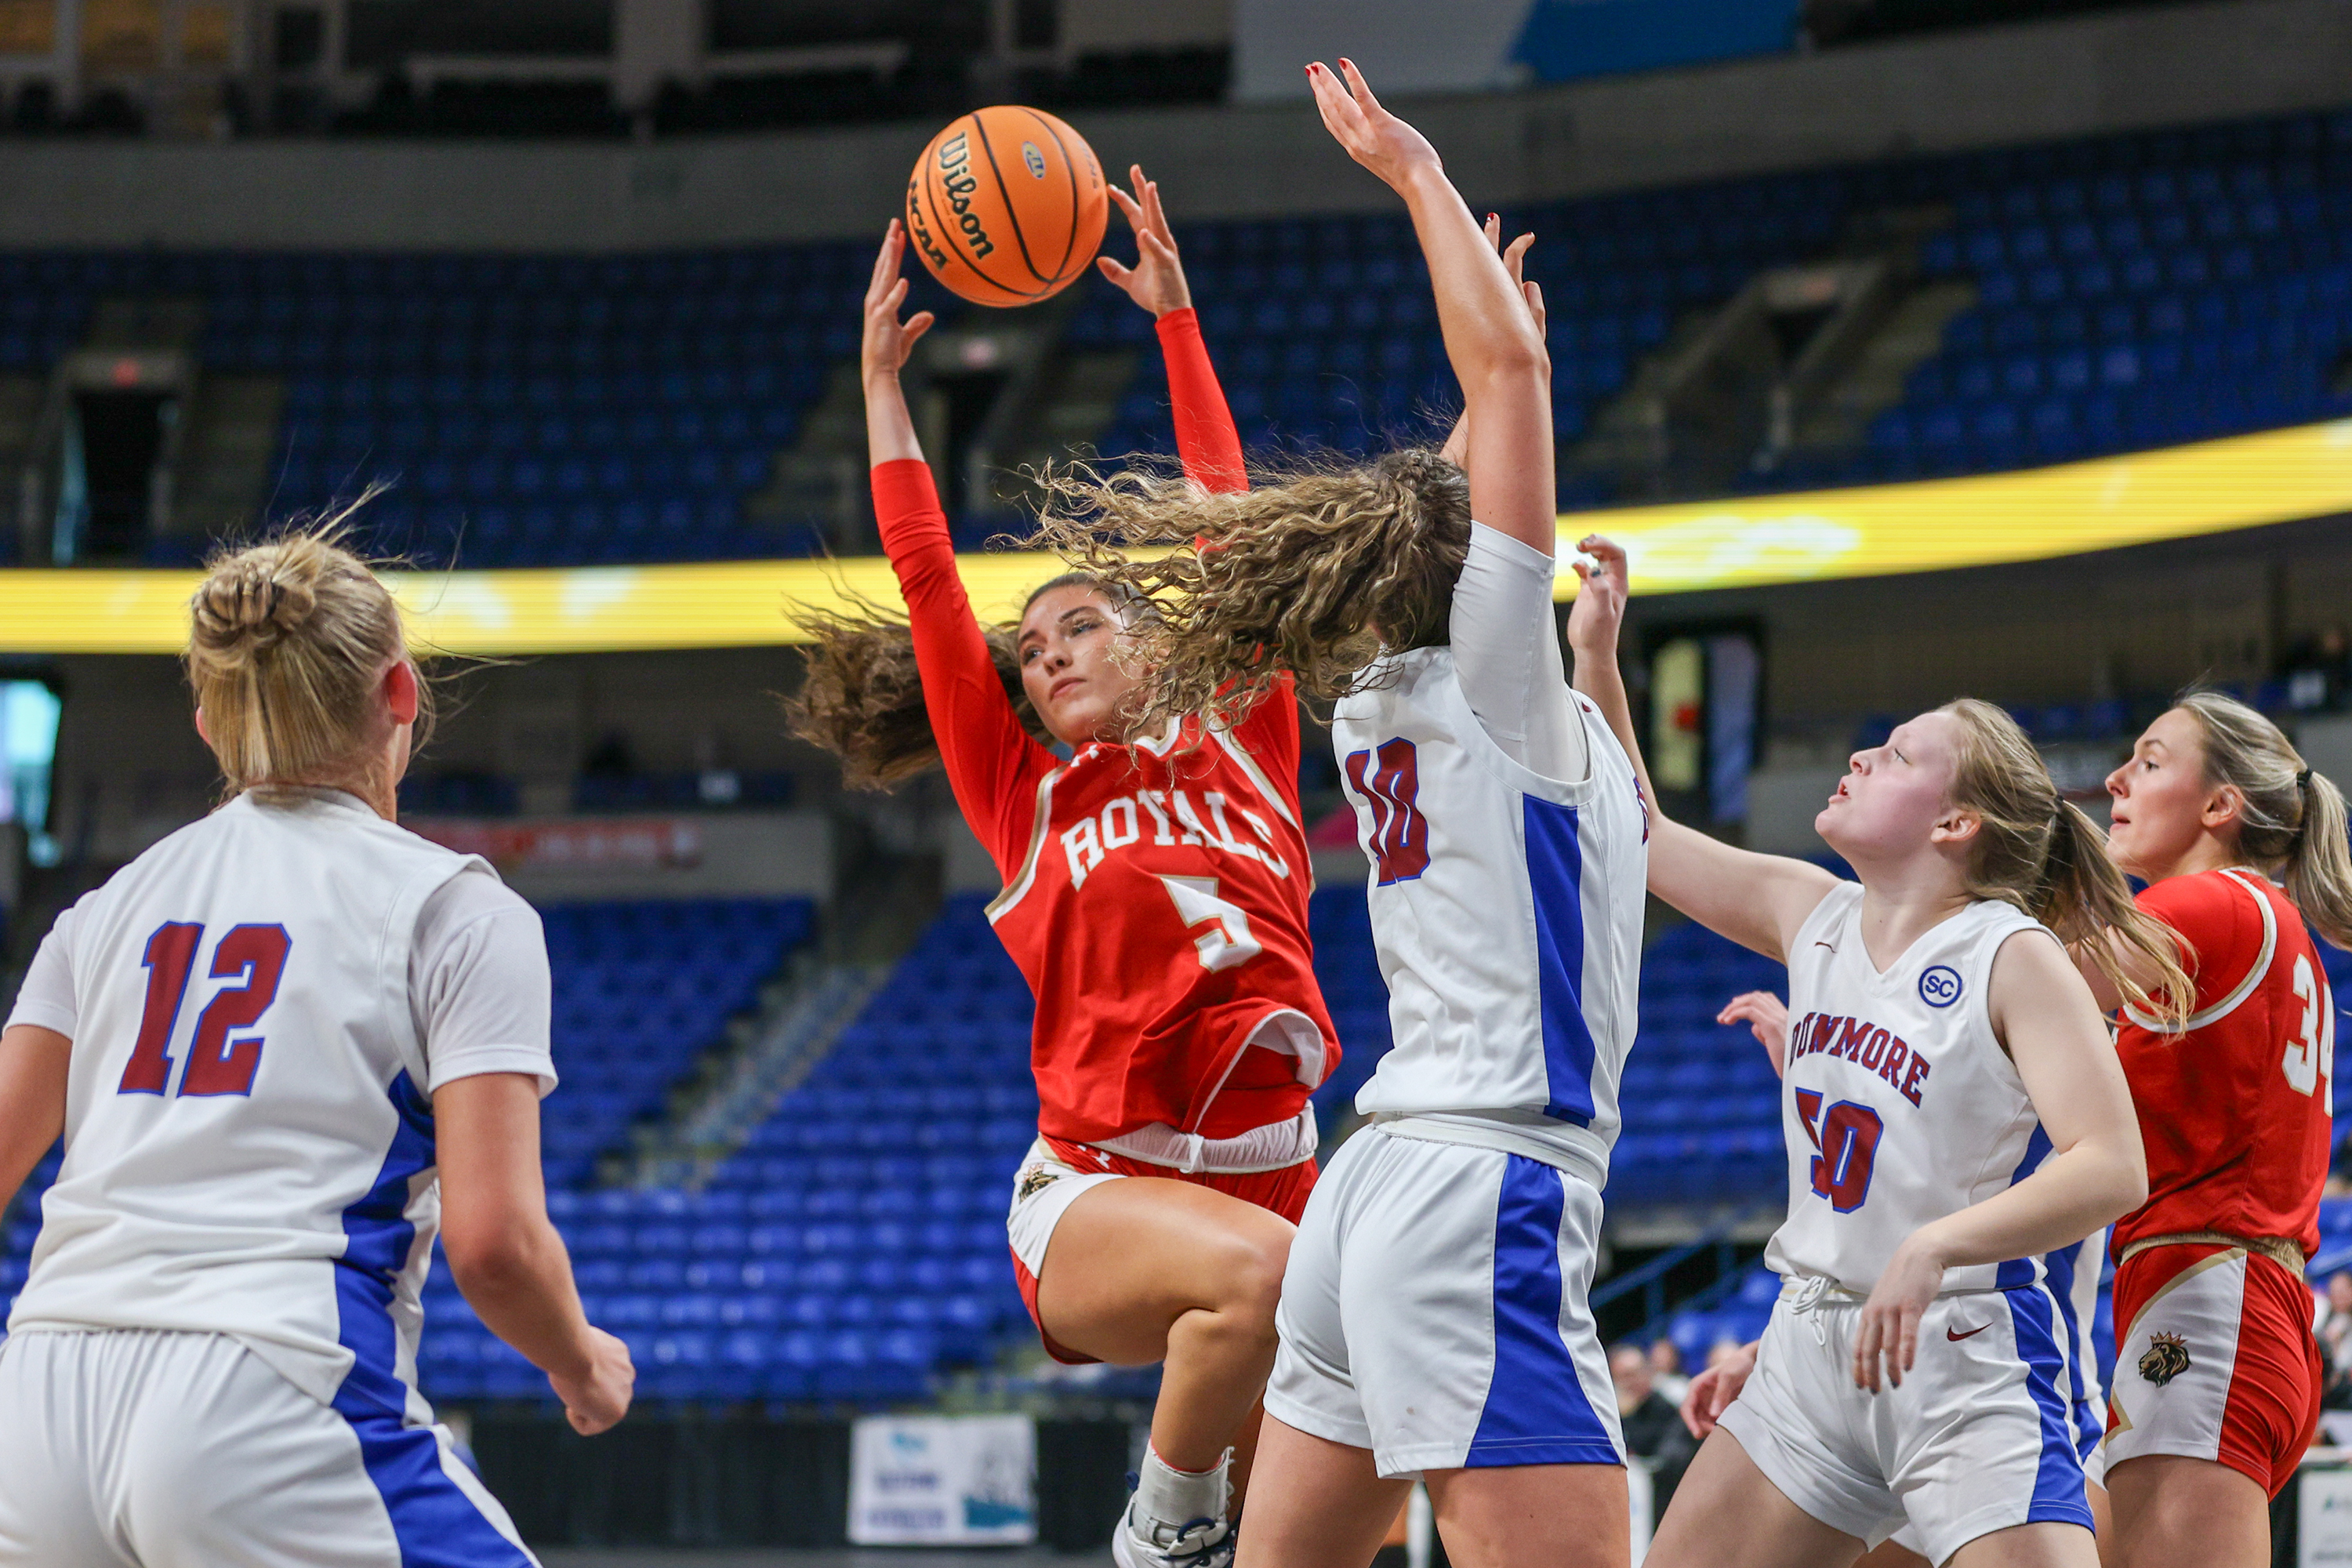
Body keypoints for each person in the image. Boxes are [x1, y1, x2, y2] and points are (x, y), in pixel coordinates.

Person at [1027, 60, 1650, 1568]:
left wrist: (1594, 656)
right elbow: (1508, 394)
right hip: (1487, 1179)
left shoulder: (1389, 689)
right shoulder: (1488, 684)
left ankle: (1162, 1537)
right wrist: (1416, 174)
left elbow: (1427, 501)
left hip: (1369, 1187)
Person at [786, 171, 1335, 1568]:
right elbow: (927, 580)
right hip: (1101, 1188)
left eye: (1080, 625)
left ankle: (1224, 1529)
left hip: (1280, 1167)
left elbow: (1229, 523)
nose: (1048, 655)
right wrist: (882, 391)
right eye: (1031, 652)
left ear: (1153, 638)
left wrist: (1176, 322)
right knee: (1264, 1285)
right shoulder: (1026, 796)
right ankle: (1161, 1531)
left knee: (1340, 1521)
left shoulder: (1249, 735)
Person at [0, 527, 634, 1567]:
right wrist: (579, 1361)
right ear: (401, 693)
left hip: (39, 1403)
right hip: (265, 1388)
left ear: (209, 723)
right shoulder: (455, 911)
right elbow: (494, 1244)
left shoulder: (101, 913)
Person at [1566, 535, 2181, 1568]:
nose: (1859, 757)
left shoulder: (2011, 952)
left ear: (1955, 821)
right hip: (1813, 1345)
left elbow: (2113, 1166)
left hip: (1963, 1350)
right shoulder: (1811, 911)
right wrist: (1596, 658)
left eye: (1895, 754)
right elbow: (1639, 833)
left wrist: (1934, 1245)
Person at [1712, 988, 2116, 1566]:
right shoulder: (1951, 1033)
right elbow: (1893, 1224)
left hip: (2018, 1393)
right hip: (1905, 1382)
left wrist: (1835, 1061)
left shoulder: (2047, 1023)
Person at [2087, 692, 2352, 1567]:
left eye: (2150, 760)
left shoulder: (2207, 904)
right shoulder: (2262, 921)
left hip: (2210, 1300)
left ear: (2219, 805)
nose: (2116, 778)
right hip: (2226, 1301)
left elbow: (2015, 991)